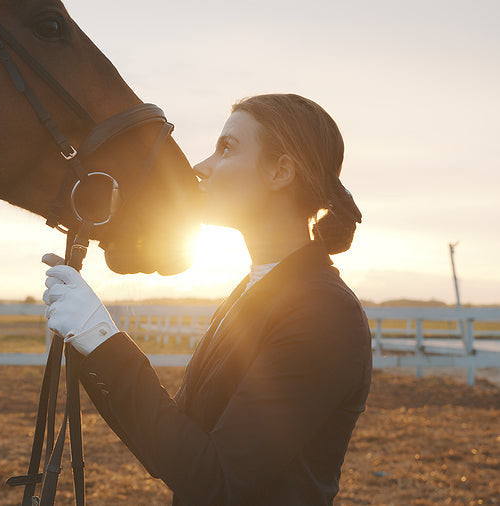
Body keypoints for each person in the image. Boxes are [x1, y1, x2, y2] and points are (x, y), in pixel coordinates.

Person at [42, 93, 372, 505]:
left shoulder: (323, 313)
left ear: (280, 171)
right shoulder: (255, 290)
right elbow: (177, 444)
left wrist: (102, 339)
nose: (200, 167)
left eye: (227, 148)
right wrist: (93, 346)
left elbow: (217, 478)